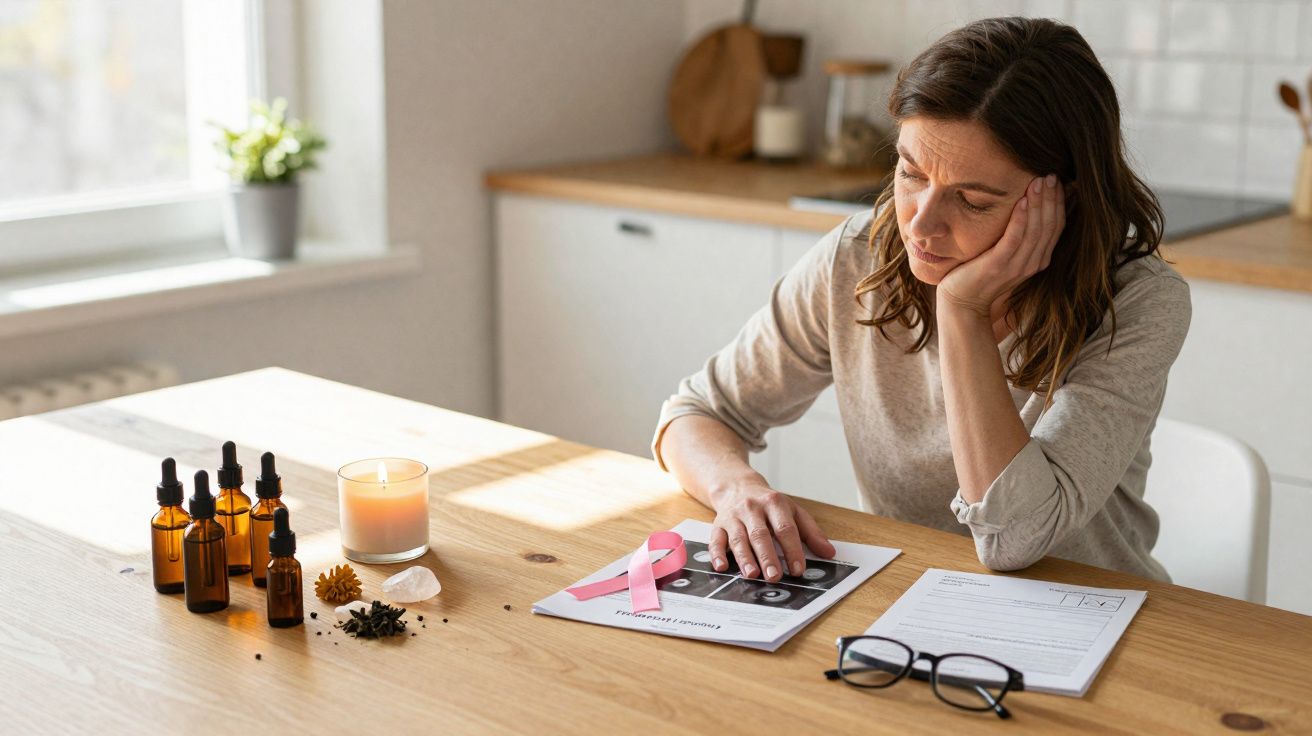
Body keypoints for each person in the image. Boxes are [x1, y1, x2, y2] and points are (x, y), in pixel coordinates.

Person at [651, 16, 1190, 584]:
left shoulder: (1138, 302)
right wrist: (736, 490)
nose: (921, 225)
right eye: (911, 174)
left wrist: (962, 310)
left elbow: (1015, 540)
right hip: (905, 597)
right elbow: (696, 414)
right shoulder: (857, 258)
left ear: (1065, 201)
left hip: (1096, 608)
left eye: (973, 201)